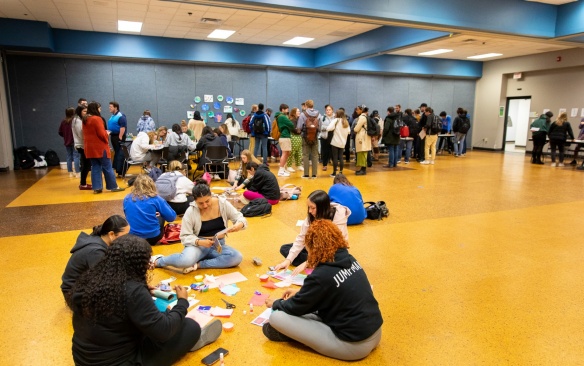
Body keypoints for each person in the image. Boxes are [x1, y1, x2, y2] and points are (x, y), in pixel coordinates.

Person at [66, 234, 222, 366]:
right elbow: (164, 332)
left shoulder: (92, 278)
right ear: (139, 264)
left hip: (82, 359)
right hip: (120, 362)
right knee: (190, 326)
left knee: (158, 320)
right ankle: (189, 341)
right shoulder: (134, 291)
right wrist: (182, 303)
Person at [264, 220, 383, 361]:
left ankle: (292, 336)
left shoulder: (321, 275)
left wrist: (276, 303)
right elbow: (334, 290)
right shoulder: (350, 259)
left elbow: (295, 307)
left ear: (313, 248)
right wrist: (301, 294)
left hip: (353, 345)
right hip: (375, 333)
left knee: (276, 318)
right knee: (310, 310)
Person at [151, 179, 245, 273]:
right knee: (185, 261)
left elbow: (239, 217)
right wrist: (199, 242)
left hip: (218, 244)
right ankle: (159, 260)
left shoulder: (223, 204)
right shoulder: (190, 211)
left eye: (207, 201)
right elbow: (184, 236)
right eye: (200, 203)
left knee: (236, 257)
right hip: (198, 245)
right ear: (194, 201)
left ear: (211, 195)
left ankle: (197, 265)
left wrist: (239, 224)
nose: (205, 205)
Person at [275, 190, 350, 274]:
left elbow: (336, 246)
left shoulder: (338, 218)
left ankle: (316, 263)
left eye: (313, 208)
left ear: (322, 207)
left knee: (331, 261)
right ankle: (317, 263)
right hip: (315, 249)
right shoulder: (311, 217)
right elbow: (301, 238)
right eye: (309, 207)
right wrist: (288, 260)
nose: (310, 211)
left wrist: (308, 262)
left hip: (332, 252)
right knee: (285, 248)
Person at [61, 215, 129, 300]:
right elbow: (105, 280)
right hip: (73, 294)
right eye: (125, 236)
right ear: (111, 234)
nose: (127, 239)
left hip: (79, 287)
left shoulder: (100, 239)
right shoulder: (96, 252)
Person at [82, 102, 125, 194]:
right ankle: (113, 186)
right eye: (99, 108)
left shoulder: (85, 119)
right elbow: (102, 134)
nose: (100, 110)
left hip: (90, 148)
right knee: (107, 167)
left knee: (95, 167)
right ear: (95, 109)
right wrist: (107, 133)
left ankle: (97, 188)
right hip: (100, 148)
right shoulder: (97, 119)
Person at [123, 174, 177, 245]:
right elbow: (171, 217)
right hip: (153, 237)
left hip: (132, 237)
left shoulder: (127, 198)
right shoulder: (156, 198)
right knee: (160, 216)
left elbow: (127, 214)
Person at [299, 99, 322, 178]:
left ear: (306, 105)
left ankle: (306, 174)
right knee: (315, 155)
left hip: (305, 137)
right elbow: (320, 127)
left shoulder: (303, 114)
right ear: (313, 105)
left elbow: (299, 127)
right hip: (315, 137)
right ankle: (314, 174)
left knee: (305, 155)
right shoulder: (319, 114)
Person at [72, 104, 92, 190]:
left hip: (81, 144)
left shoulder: (78, 119)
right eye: (84, 111)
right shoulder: (77, 121)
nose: (86, 113)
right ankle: (83, 183)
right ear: (79, 111)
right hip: (81, 145)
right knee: (86, 165)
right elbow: (82, 134)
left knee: (86, 164)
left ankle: (83, 183)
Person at [326, 108, 350, 177]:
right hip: (343, 142)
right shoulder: (346, 121)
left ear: (338, 114)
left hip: (335, 142)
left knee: (335, 157)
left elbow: (328, 128)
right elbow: (349, 132)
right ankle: (341, 172)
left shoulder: (336, 120)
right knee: (341, 157)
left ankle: (334, 173)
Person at [58, 107, 80, 178]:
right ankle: (77, 172)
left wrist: (65, 136)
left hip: (67, 141)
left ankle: (70, 172)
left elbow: (60, 132)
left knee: (69, 157)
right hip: (74, 141)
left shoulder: (63, 121)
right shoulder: (74, 121)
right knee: (76, 156)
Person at [107, 101, 127, 177]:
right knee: (117, 152)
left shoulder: (121, 115)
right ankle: (116, 169)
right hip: (113, 136)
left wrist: (120, 137)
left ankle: (120, 171)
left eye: (111, 107)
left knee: (120, 153)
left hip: (118, 136)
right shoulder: (112, 116)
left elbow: (123, 127)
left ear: (115, 107)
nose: (109, 108)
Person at [275, 104, 295, 177]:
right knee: (284, 153)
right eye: (286, 109)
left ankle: (283, 169)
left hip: (285, 136)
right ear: (282, 109)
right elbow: (291, 125)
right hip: (284, 136)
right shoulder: (282, 117)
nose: (287, 111)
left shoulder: (280, 116)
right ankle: (281, 170)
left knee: (287, 153)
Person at [353, 104, 371, 175]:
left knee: (362, 153)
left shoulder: (362, 117)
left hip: (362, 137)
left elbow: (357, 128)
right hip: (365, 137)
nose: (356, 111)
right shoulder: (365, 116)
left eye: (358, 109)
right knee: (363, 153)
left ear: (361, 110)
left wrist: (354, 129)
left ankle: (363, 170)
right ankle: (362, 169)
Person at [286, 107, 304, 173]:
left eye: (299, 111)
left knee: (299, 152)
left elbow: (301, 128)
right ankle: (289, 166)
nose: (299, 112)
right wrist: (298, 130)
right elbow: (294, 129)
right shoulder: (292, 120)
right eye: (297, 111)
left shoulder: (299, 119)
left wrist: (299, 130)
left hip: (299, 137)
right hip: (293, 137)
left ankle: (299, 165)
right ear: (294, 112)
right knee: (292, 152)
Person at [320, 104, 335, 171]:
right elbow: (320, 127)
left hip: (333, 136)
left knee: (333, 151)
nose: (328, 111)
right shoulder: (322, 118)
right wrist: (328, 128)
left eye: (329, 110)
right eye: (327, 110)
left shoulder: (335, 118)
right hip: (324, 136)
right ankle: (324, 165)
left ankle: (335, 165)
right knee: (325, 151)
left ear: (332, 110)